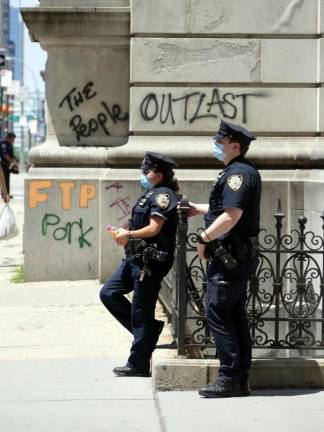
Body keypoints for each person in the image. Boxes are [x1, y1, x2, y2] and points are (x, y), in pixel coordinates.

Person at [188, 120, 261, 398]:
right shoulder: (238, 171)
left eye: (221, 141)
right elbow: (226, 207)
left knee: (218, 313)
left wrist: (204, 237)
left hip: (230, 258)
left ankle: (228, 378)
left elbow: (232, 215)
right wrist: (199, 209)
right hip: (236, 257)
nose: (217, 145)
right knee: (234, 315)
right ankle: (240, 379)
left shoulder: (237, 174)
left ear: (235, 145)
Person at [100, 152, 179, 377]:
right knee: (109, 293)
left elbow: (155, 228)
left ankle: (138, 363)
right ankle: (149, 332)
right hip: (134, 258)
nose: (143, 174)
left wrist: (130, 234)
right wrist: (122, 233)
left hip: (149, 262)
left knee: (141, 311)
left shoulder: (164, 195)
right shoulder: (149, 193)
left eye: (147, 170)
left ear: (158, 174)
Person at [0, 132, 18, 198]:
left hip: (7, 164)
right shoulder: (4, 144)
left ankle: (6, 193)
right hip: (3, 164)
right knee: (4, 179)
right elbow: (5, 155)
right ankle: (5, 194)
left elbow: (11, 155)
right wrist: (12, 162)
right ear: (9, 138)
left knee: (6, 179)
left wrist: (15, 161)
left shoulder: (9, 144)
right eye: (13, 139)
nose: (13, 141)